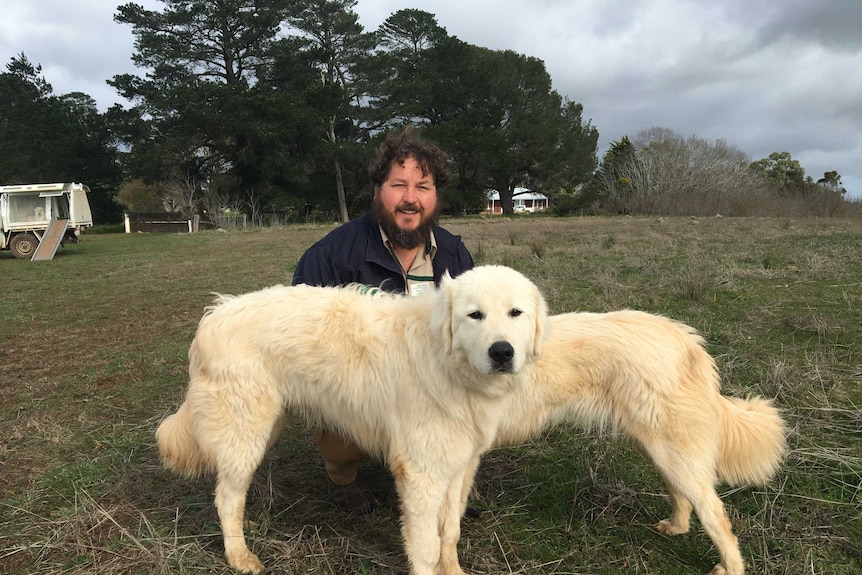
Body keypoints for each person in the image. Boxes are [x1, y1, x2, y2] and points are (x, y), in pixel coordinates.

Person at [291, 128, 474, 513]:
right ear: (377, 191)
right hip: (360, 392)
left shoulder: (454, 257)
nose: (411, 199)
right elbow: (301, 336)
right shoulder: (331, 255)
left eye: (423, 186)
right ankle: (343, 478)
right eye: (398, 185)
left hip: (434, 387)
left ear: (436, 195)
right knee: (341, 434)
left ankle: (444, 483)